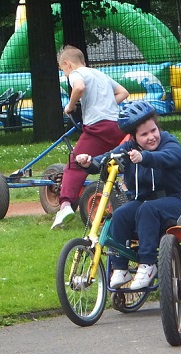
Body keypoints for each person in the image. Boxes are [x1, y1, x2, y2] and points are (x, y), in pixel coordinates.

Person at [76, 100, 181, 290]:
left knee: (148, 209)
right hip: (145, 203)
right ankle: (120, 267)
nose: (151, 137)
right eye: (144, 134)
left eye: (153, 130)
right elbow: (108, 158)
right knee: (120, 214)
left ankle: (148, 264)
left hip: (177, 201)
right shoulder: (128, 148)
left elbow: (169, 157)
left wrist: (144, 158)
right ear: (133, 137)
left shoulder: (169, 142)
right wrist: (90, 162)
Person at [52, 45, 129, 229]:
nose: (65, 74)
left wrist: (70, 106)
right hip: (116, 126)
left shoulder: (76, 74)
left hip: (98, 127)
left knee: (75, 164)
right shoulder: (99, 74)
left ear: (67, 64)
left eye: (63, 70)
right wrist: (107, 104)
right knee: (106, 164)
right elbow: (123, 93)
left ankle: (65, 206)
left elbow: (79, 87)